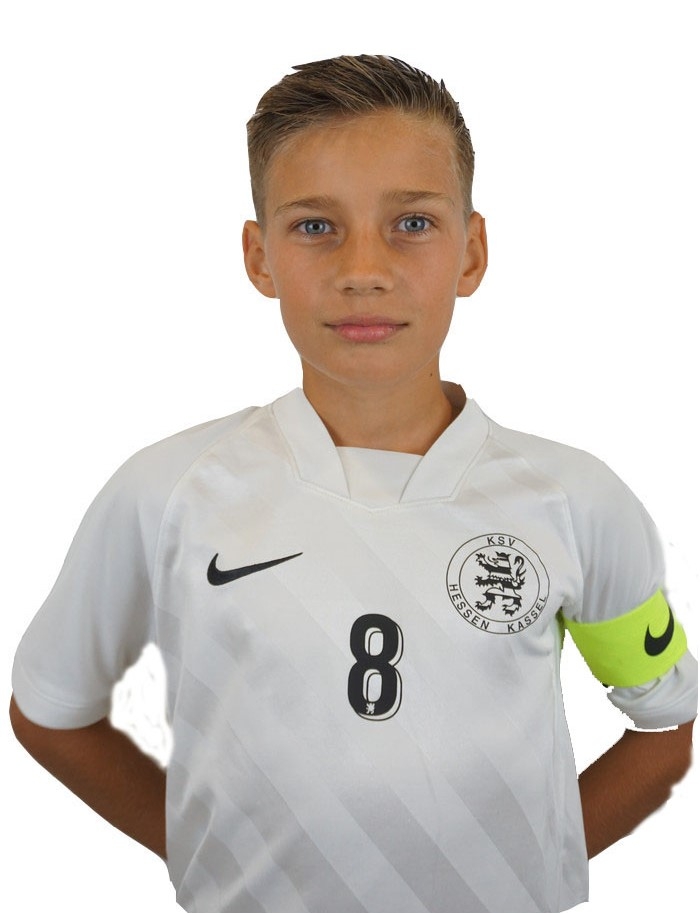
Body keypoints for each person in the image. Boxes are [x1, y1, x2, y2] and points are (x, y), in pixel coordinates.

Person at [9, 55, 696, 913]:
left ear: (472, 251)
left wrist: (524, 868)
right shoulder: (167, 491)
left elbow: (665, 724)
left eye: (412, 222)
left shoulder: (578, 500)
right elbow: (51, 710)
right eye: (314, 226)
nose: (363, 267)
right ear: (259, 257)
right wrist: (212, 857)